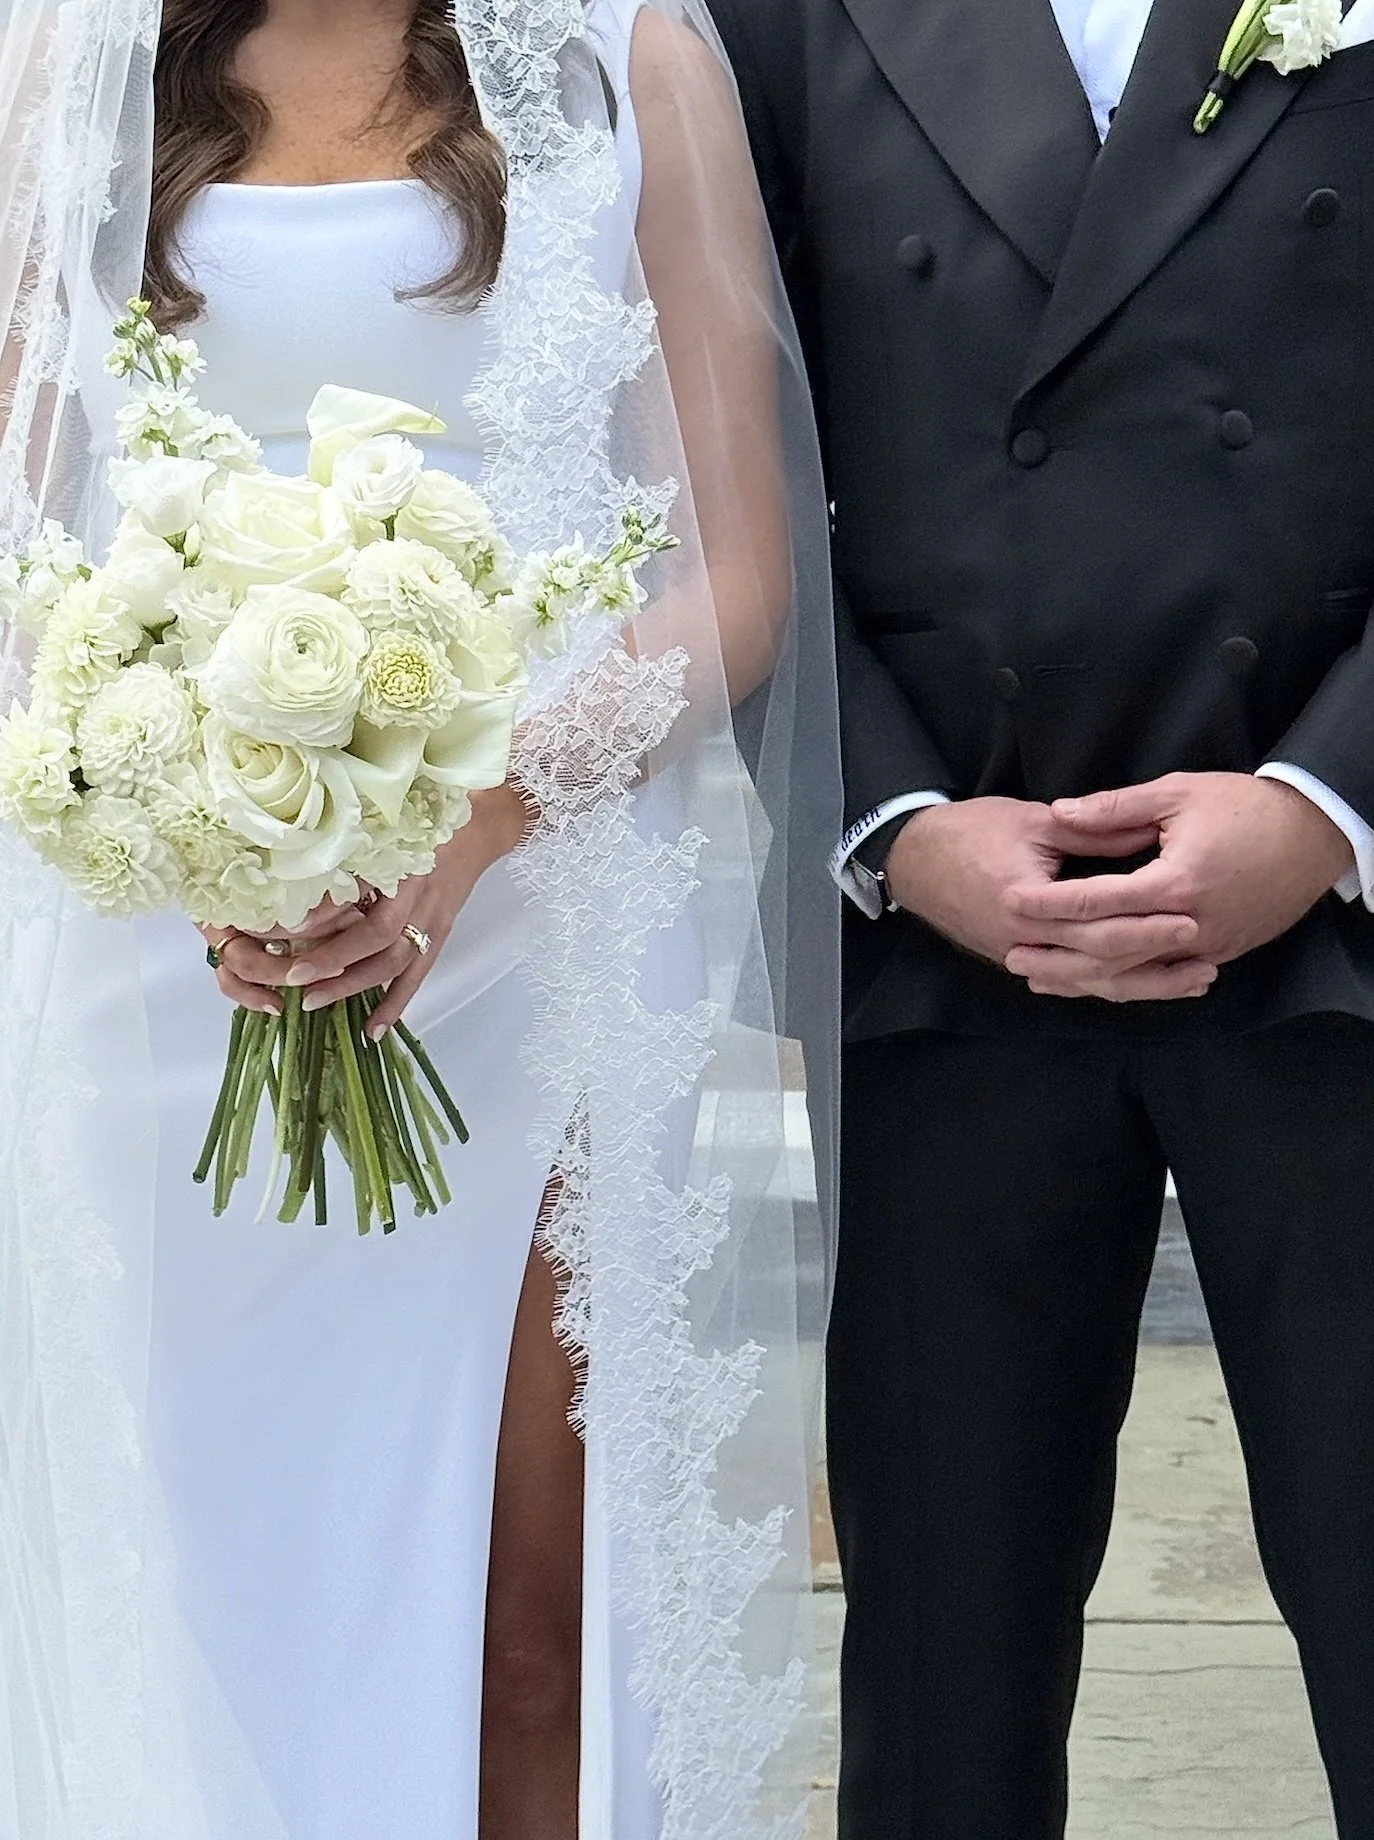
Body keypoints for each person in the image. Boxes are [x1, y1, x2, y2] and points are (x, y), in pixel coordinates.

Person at [0, 1, 840, 1835]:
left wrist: (477, 814)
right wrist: (186, 807)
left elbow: (740, 569)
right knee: (189, 1592)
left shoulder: (626, 53)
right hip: (167, 945)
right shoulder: (84, 60)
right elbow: (15, 517)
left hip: (548, 930)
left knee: (528, 1624)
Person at [708, 0, 1374, 1833]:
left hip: (1344, 941)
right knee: (940, 1663)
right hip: (947, 955)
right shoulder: (768, 17)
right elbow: (710, 449)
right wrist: (893, 821)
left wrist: (1324, 804)